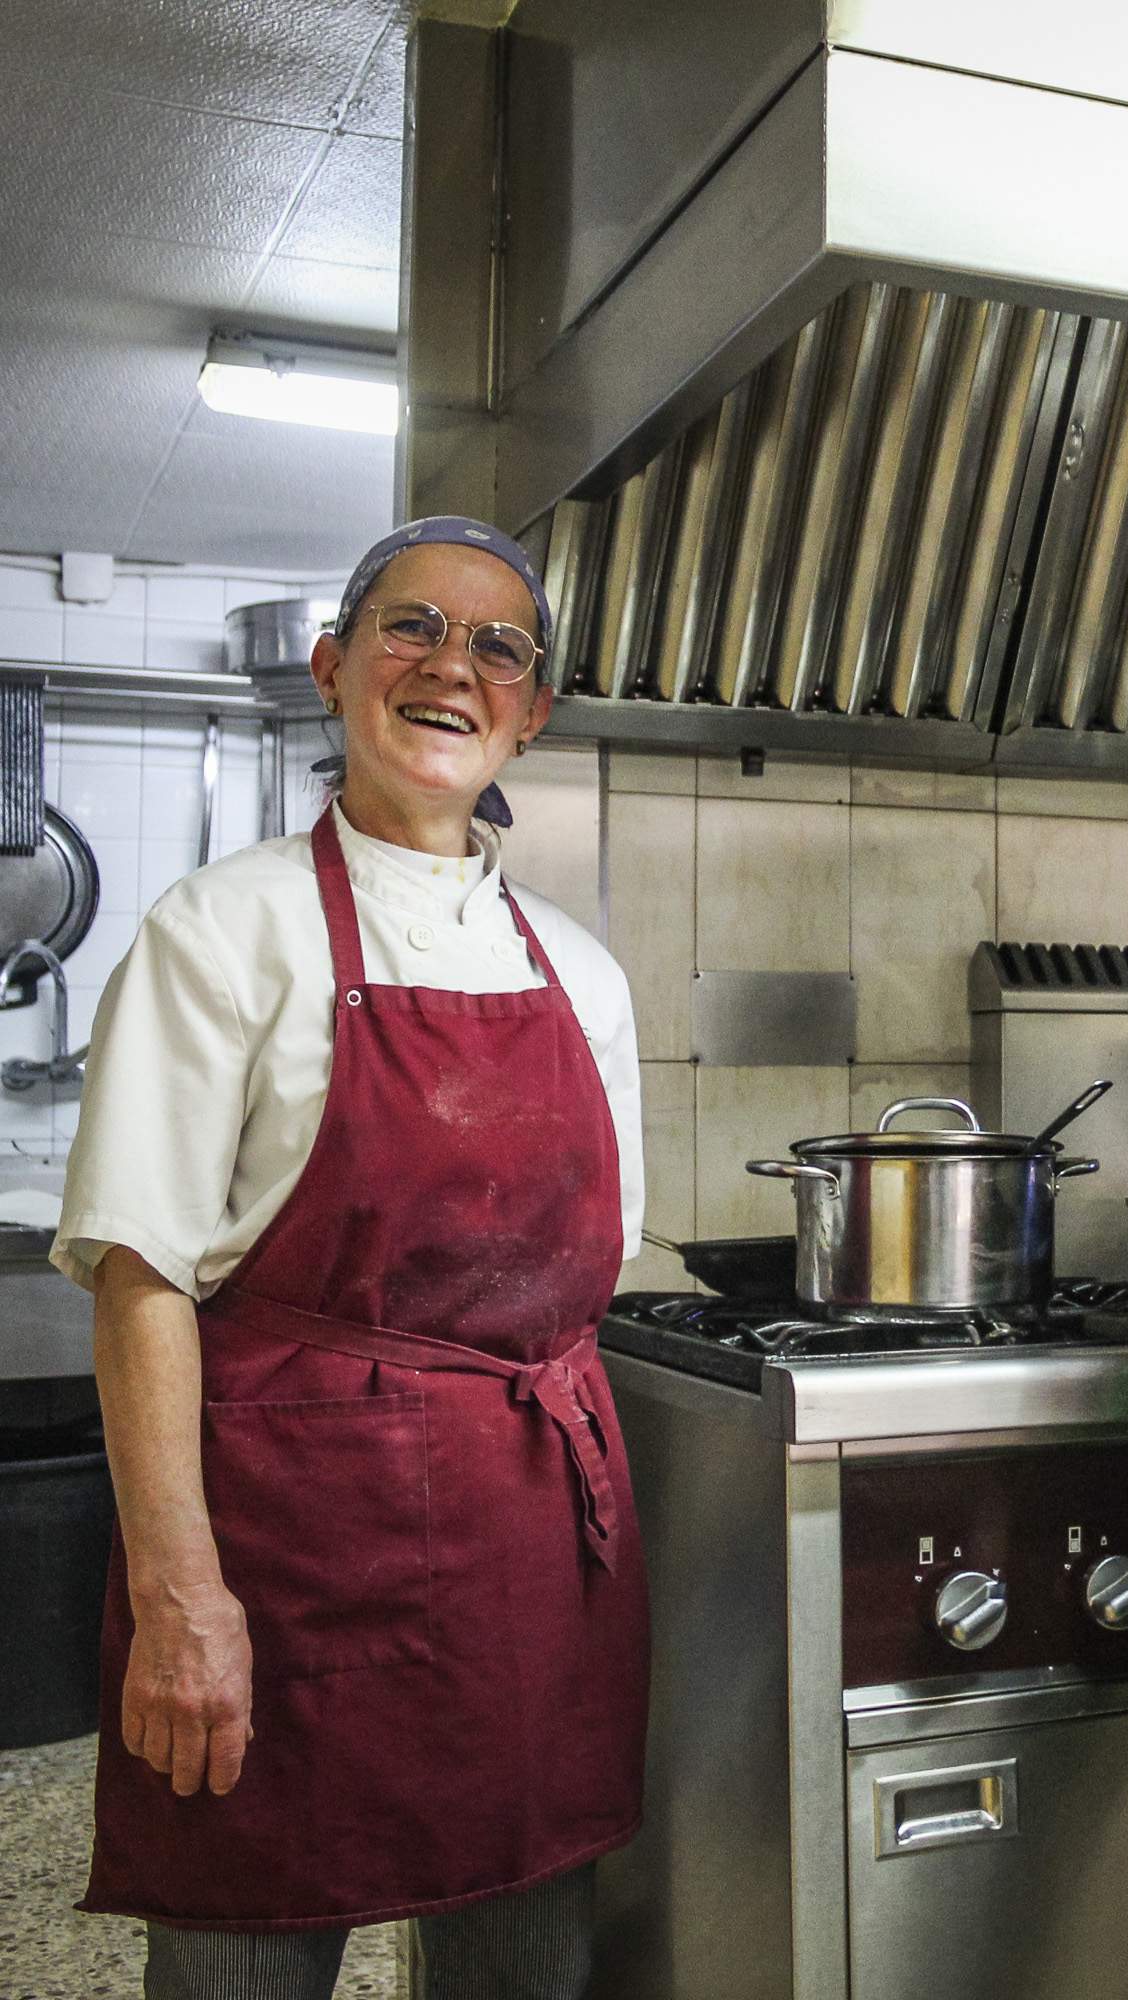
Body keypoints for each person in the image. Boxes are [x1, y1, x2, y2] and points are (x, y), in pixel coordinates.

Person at [56, 518, 647, 2000]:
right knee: (242, 1956)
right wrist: (180, 1598)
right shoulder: (223, 931)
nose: (453, 667)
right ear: (332, 669)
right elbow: (142, 1283)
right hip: (287, 1560)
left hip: (525, 1569)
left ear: (533, 710)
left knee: (528, 1958)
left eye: (497, 647)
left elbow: (594, 1268)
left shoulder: (579, 972)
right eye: (411, 629)